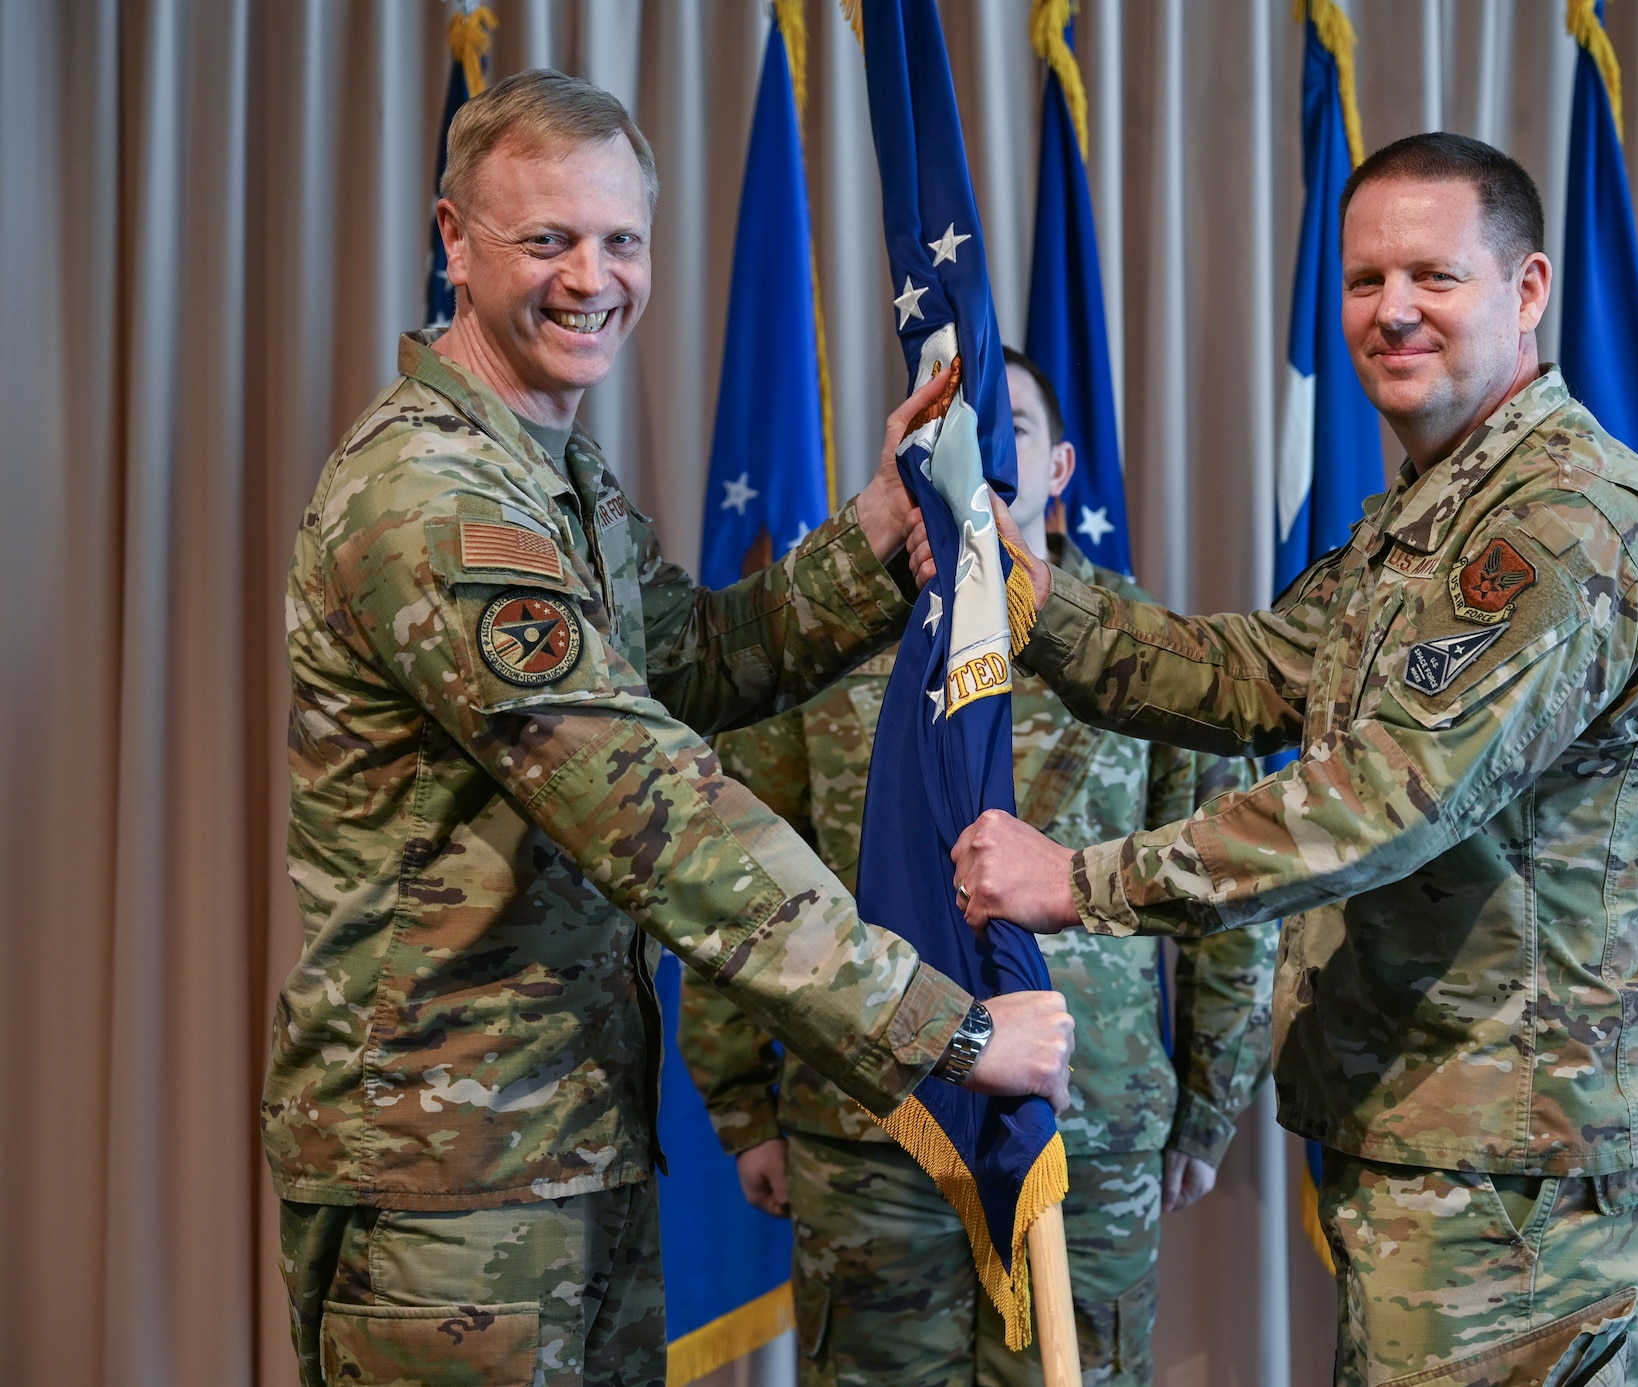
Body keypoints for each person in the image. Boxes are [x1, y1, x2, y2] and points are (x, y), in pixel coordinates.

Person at [265, 70, 1074, 1387]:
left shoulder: (551, 474)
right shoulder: (435, 501)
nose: (592, 278)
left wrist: (879, 522)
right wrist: (949, 1027)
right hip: (446, 1180)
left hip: (561, 1137)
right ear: (454, 241)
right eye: (548, 239)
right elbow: (651, 807)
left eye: (620, 239)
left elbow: (693, 664)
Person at [944, 133, 1638, 1386]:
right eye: (1364, 280)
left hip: (1514, 1167)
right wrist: (1027, 601)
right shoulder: (1428, 517)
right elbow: (1249, 674)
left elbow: (1379, 802)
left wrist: (1076, 881)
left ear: (1525, 290)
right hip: (1437, 1136)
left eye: (1432, 276)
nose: (1390, 310)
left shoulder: (1562, 524)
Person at [679, 349, 1278, 1387]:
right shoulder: (822, 648)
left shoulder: (1146, 654)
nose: (977, 463)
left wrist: (1206, 1109)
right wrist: (739, 1106)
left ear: (1060, 470)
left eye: (1007, 437)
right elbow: (740, 872)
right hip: (871, 1130)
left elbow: (1226, 898)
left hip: (1087, 1129)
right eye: (947, 441)